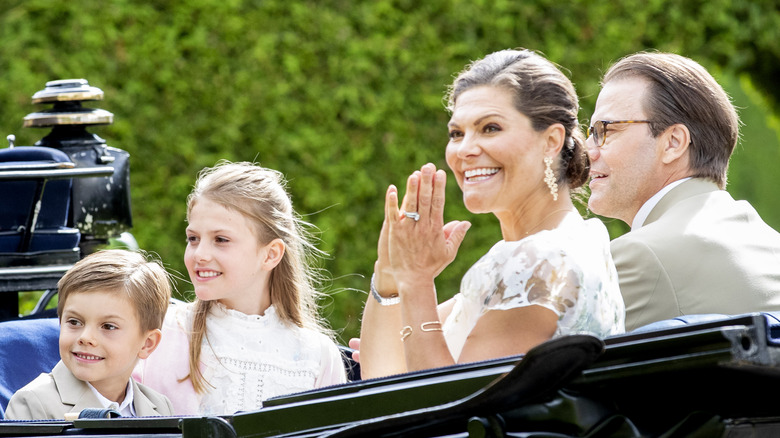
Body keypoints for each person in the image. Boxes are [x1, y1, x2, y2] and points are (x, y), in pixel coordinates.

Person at [353, 49, 625, 379]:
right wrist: (391, 273)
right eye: (456, 133)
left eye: (490, 128)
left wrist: (417, 280)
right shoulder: (537, 251)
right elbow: (381, 376)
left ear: (551, 140)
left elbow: (447, 403)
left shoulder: (542, 263)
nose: (465, 149)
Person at [585, 51, 780, 331]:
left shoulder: (639, 255)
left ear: (673, 142)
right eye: (590, 131)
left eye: (606, 130)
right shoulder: (770, 242)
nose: (588, 150)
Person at [135, 161, 346, 416]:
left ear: (270, 254)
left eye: (221, 240)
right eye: (193, 238)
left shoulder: (317, 355)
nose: (199, 254)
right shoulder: (161, 333)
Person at [5, 250, 174, 420]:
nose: (85, 337)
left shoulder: (159, 407)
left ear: (147, 343)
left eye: (108, 326)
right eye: (74, 322)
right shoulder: (34, 404)